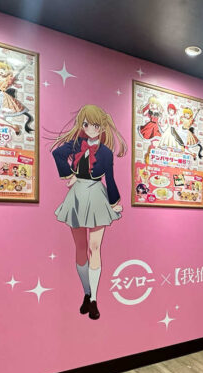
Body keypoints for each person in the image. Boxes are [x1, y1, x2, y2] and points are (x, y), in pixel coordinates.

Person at [52, 104, 127, 320]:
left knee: (95, 248)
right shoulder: (76, 143)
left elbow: (110, 179)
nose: (90, 128)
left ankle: (93, 298)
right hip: (76, 196)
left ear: (102, 126)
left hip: (96, 195)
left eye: (94, 125)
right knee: (80, 248)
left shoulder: (106, 153)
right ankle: (86, 292)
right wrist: (69, 175)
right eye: (86, 124)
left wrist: (114, 202)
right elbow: (57, 154)